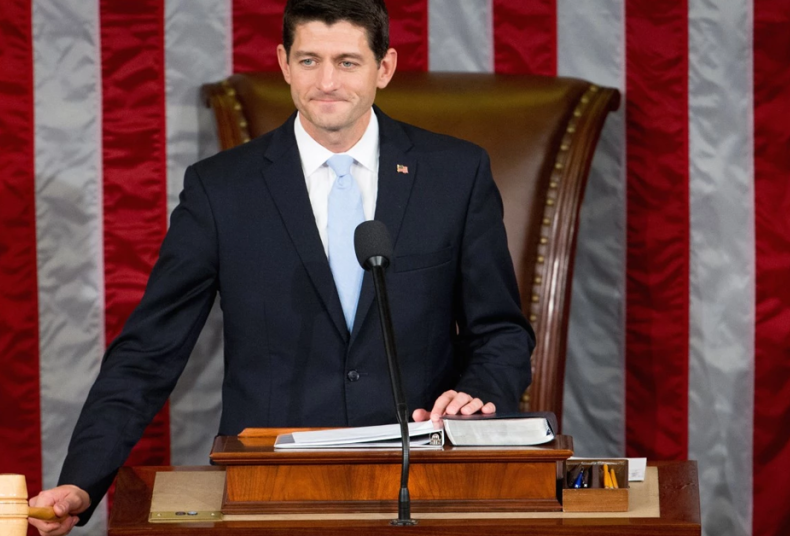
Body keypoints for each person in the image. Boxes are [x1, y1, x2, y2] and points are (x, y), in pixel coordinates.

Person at [29, 1, 534, 534]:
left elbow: (500, 331)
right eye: (309, 59)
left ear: (383, 68)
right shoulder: (221, 189)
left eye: (347, 62)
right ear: (284, 63)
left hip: (419, 479)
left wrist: (478, 393)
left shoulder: (454, 174)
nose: (326, 82)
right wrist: (83, 480)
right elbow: (150, 350)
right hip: (269, 483)